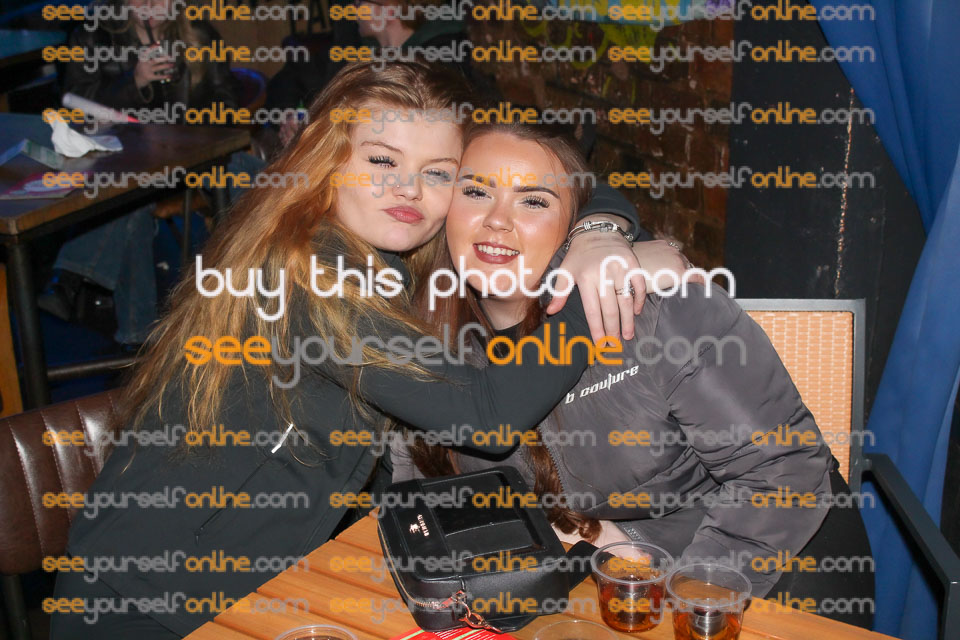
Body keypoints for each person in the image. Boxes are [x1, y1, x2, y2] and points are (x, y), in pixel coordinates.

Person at [49, 61, 687, 638]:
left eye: (437, 173)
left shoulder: (379, 255)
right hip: (145, 601)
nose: (408, 188)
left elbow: (562, 174)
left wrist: (600, 232)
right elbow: (486, 417)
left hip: (258, 581)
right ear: (327, 161)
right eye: (382, 161)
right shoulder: (307, 275)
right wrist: (595, 288)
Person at [394, 120, 875, 629]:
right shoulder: (424, 336)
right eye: (476, 192)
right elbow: (422, 495)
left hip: (769, 561)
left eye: (533, 201)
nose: (497, 221)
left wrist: (682, 591)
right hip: (597, 575)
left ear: (574, 225)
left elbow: (782, 471)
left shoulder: (659, 311)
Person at [40, 0, 239, 346]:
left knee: (131, 199)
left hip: (187, 162)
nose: (149, 2)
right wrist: (133, 82)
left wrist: (186, 128)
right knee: (130, 200)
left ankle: (69, 279)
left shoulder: (200, 34)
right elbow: (76, 111)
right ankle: (140, 342)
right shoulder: (92, 36)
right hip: (118, 164)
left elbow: (228, 105)